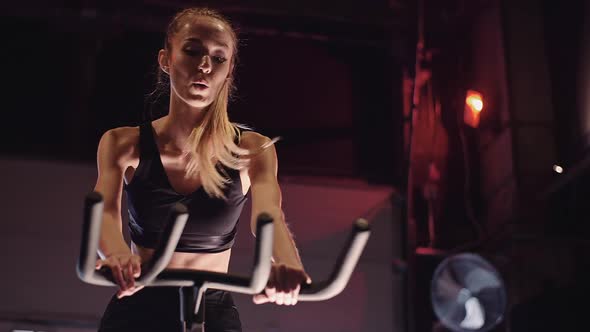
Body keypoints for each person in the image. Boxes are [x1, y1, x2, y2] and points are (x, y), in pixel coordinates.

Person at [93, 7, 310, 332]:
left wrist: (287, 264)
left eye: (219, 58)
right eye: (193, 51)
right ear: (166, 60)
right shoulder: (124, 144)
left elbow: (269, 217)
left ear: (229, 70)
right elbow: (105, 213)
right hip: (140, 306)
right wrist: (118, 254)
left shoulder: (253, 149)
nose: (205, 66)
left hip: (214, 310)